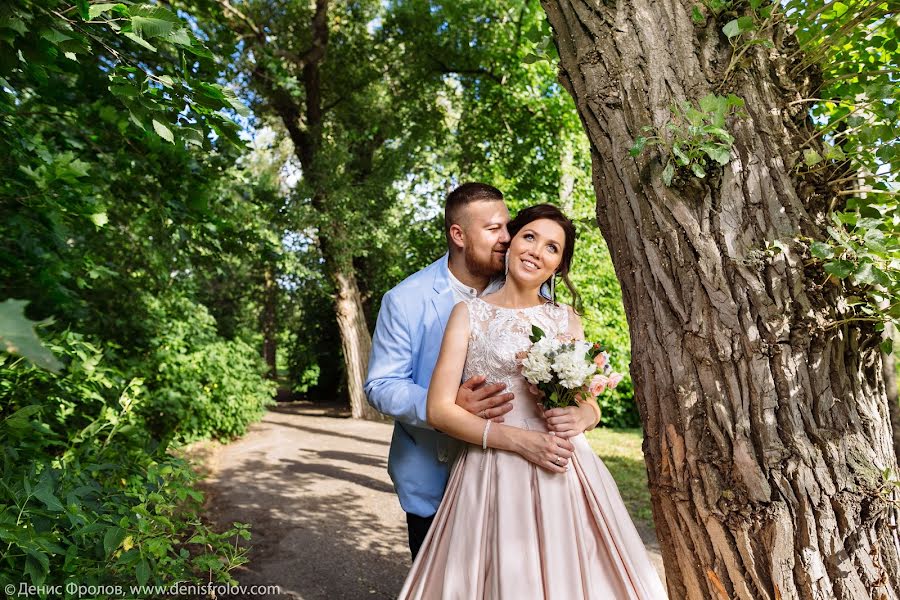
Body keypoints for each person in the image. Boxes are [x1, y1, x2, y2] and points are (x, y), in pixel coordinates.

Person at [398, 204, 668, 599]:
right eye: (529, 237)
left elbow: (589, 403)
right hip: (492, 467)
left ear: (558, 266)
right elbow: (440, 409)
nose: (536, 251)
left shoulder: (565, 319)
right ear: (510, 244)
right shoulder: (467, 314)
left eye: (552, 248)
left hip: (563, 468)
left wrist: (583, 416)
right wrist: (520, 441)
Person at [365, 184, 601, 560]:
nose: (506, 238)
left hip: (526, 474)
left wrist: (586, 411)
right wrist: (445, 404)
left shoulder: (524, 290)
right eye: (494, 229)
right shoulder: (405, 299)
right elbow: (380, 385)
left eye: (509, 227)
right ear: (458, 235)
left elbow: (578, 391)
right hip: (437, 470)